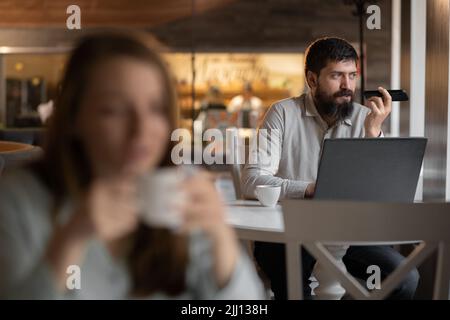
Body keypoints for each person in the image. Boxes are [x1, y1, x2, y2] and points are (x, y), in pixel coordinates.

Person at [0, 33, 265, 299]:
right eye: (114, 109)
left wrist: (221, 240)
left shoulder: (182, 188)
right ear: (72, 117)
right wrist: (72, 238)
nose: (142, 129)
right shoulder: (18, 199)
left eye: (156, 108)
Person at [241, 37, 419, 299]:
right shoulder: (282, 113)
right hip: (288, 232)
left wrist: (374, 135)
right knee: (294, 291)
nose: (347, 86)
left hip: (348, 235)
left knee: (404, 278)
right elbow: (252, 180)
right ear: (312, 79)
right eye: (337, 76)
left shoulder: (365, 119)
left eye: (352, 75)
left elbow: (381, 193)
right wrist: (311, 189)